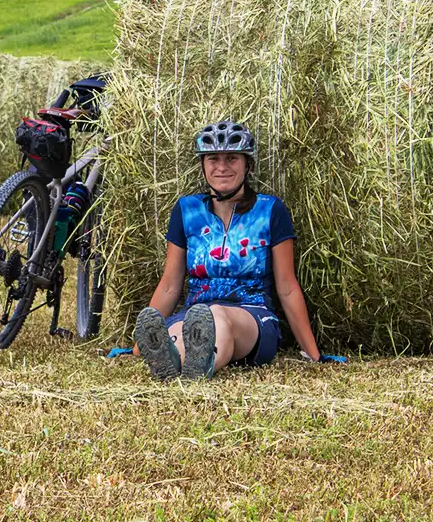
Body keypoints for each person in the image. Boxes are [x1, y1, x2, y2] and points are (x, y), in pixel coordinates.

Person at [133, 120, 346, 380]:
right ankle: (174, 360)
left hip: (253, 317)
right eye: (213, 158)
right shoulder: (186, 210)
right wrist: (137, 348)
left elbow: (287, 287)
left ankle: (197, 364)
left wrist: (314, 354)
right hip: (194, 315)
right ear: (203, 164)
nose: (222, 167)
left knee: (217, 317)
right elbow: (169, 285)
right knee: (184, 326)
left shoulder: (270, 211)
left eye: (232, 158)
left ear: (247, 164)